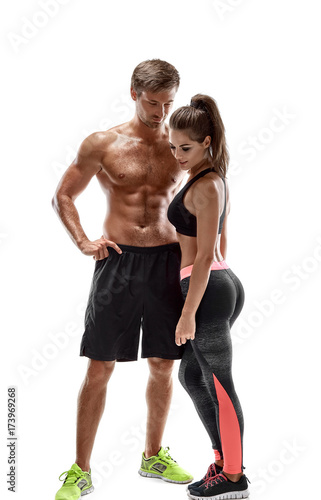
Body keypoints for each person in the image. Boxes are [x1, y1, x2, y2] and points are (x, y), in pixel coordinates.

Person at [52, 59, 193, 500]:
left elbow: (212, 192)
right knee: (100, 366)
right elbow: (63, 194)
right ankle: (80, 470)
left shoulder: (181, 144)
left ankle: (152, 456)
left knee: (164, 364)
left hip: (170, 262)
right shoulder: (103, 143)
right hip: (117, 262)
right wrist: (82, 241)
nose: (160, 112)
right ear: (134, 93)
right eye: (153, 103)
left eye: (168, 103)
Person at [167, 94, 250, 499]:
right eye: (173, 147)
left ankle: (234, 477)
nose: (178, 155)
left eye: (185, 147)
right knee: (191, 375)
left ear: (206, 141)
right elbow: (222, 241)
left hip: (207, 288)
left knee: (219, 383)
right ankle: (222, 459)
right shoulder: (212, 178)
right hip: (221, 283)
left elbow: (202, 258)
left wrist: (188, 313)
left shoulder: (207, 184)